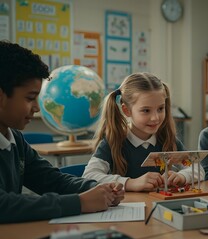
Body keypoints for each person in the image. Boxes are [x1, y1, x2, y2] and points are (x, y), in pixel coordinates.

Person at [0, 41, 124, 223]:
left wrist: (100, 188)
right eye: (30, 98)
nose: (36, 107)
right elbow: (4, 205)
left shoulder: (14, 138)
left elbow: (51, 179)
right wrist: (79, 203)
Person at [82, 72, 204, 191]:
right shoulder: (113, 142)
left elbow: (198, 169)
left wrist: (182, 176)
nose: (155, 118)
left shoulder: (167, 140)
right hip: (126, 209)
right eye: (146, 110)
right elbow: (89, 175)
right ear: (126, 110)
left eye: (160, 109)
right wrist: (130, 183)